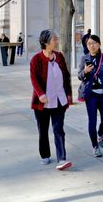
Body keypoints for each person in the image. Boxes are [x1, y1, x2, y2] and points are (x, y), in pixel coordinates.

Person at [30, 29, 73, 170]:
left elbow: (66, 76)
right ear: (46, 42)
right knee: (43, 130)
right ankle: (45, 155)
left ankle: (62, 159)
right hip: (43, 102)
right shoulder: (36, 59)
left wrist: (69, 94)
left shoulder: (59, 56)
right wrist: (40, 94)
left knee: (58, 129)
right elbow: (34, 78)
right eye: (54, 39)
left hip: (59, 100)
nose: (57, 41)